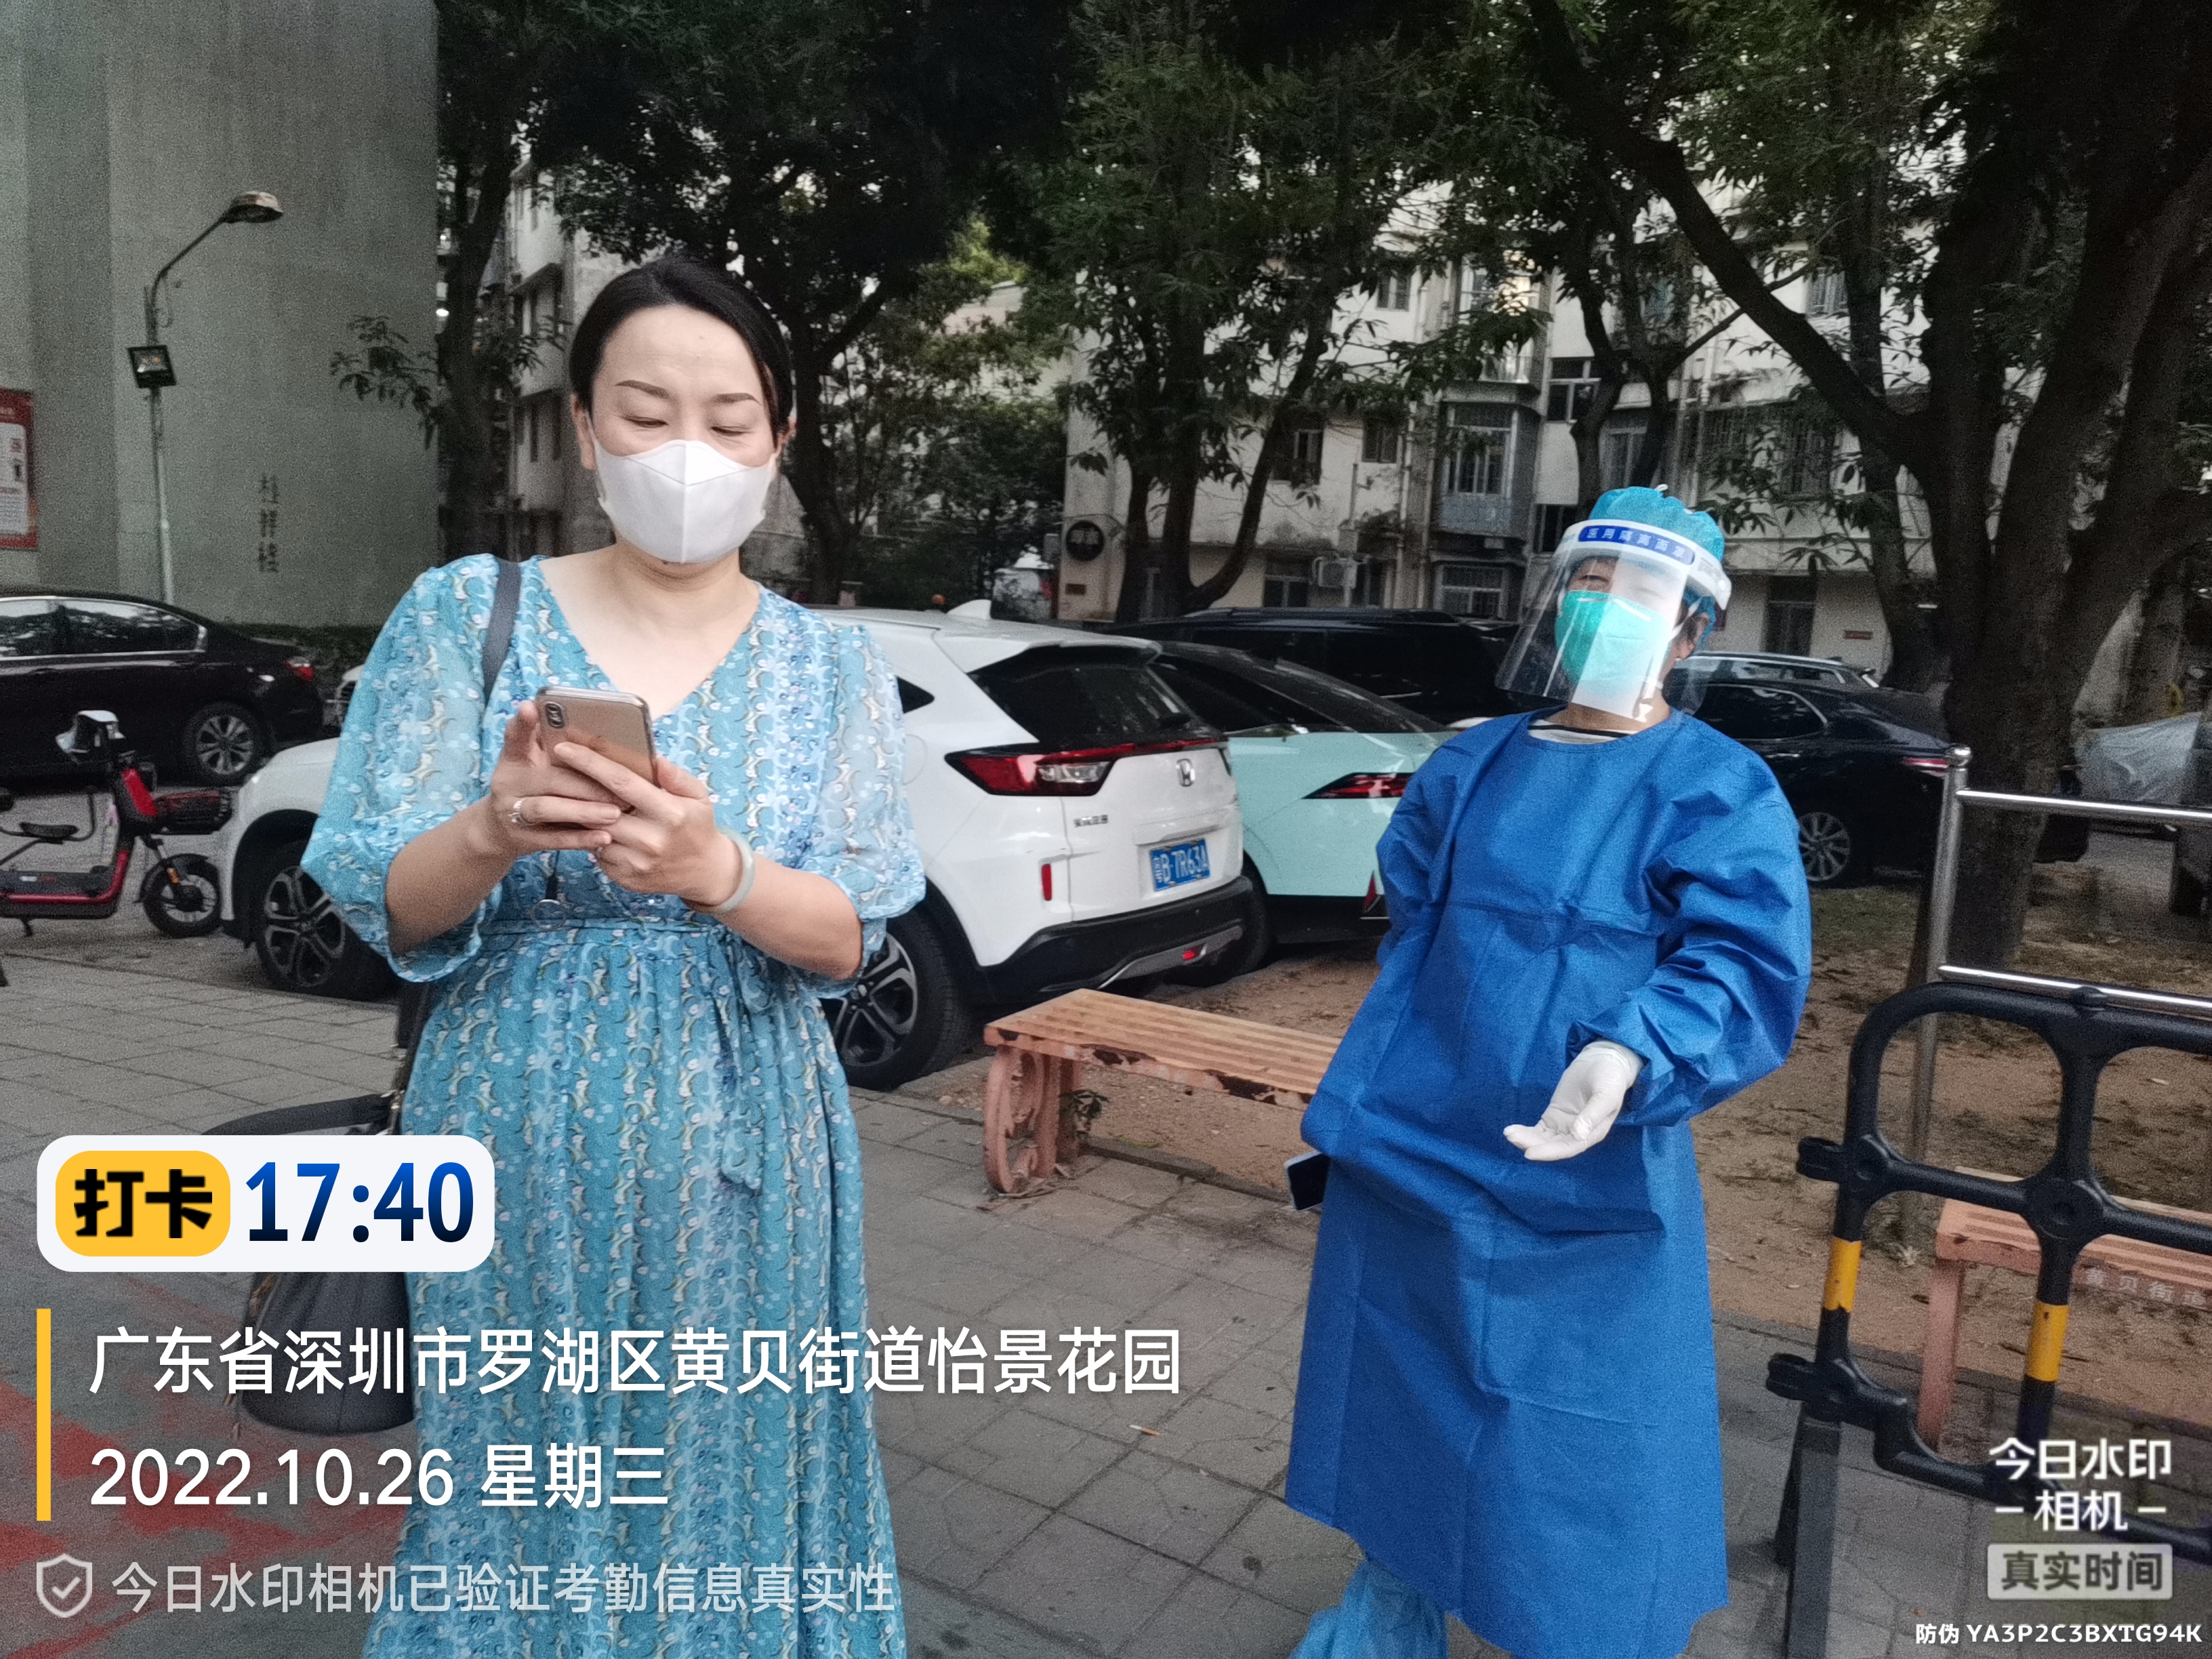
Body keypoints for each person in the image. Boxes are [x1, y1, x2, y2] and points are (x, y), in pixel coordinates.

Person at [303, 255, 924, 1657]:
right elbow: (381, 901)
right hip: (510, 1134)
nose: (687, 452)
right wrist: (493, 829)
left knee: (741, 1459)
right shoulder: (466, 616)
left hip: (756, 1148)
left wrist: (720, 874)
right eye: (645, 414)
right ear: (584, 428)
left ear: (779, 438)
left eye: (729, 418)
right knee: (517, 1465)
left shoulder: (832, 667)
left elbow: (852, 934)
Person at [1284, 488, 1814, 1659]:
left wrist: (1633, 1048)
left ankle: (1584, 1632)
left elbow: (1743, 963)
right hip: (1418, 1133)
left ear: (1690, 630)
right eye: (1587, 587)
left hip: (1585, 1169)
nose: (1604, 613)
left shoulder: (1715, 786)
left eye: (1638, 596)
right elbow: (1417, 922)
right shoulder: (1474, 762)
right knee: (1402, 1395)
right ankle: (1390, 1608)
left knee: (1577, 1439)